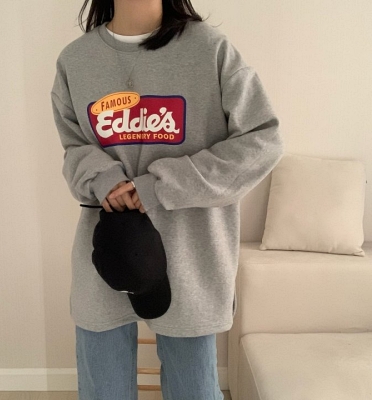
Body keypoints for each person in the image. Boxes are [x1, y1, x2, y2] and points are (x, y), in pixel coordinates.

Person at [50, 0, 284, 398]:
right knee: (102, 389)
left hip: (191, 254)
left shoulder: (209, 50)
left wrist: (160, 185)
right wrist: (105, 178)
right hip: (106, 253)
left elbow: (262, 141)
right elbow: (73, 148)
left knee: (193, 389)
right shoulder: (76, 60)